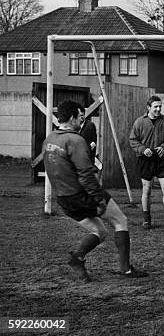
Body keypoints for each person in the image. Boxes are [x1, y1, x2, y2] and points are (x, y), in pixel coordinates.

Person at [43, 100, 147, 281]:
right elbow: (86, 174)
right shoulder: (75, 140)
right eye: (80, 117)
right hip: (83, 195)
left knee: (100, 232)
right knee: (120, 220)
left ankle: (77, 258)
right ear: (73, 116)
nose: (81, 121)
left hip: (64, 200)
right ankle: (126, 270)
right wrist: (99, 198)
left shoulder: (49, 139)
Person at [129, 95, 164, 230]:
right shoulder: (139, 122)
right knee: (147, 189)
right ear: (149, 107)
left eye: (160, 106)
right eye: (155, 106)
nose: (158, 109)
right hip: (146, 159)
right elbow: (133, 140)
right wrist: (143, 150)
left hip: (162, 159)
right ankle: (147, 220)